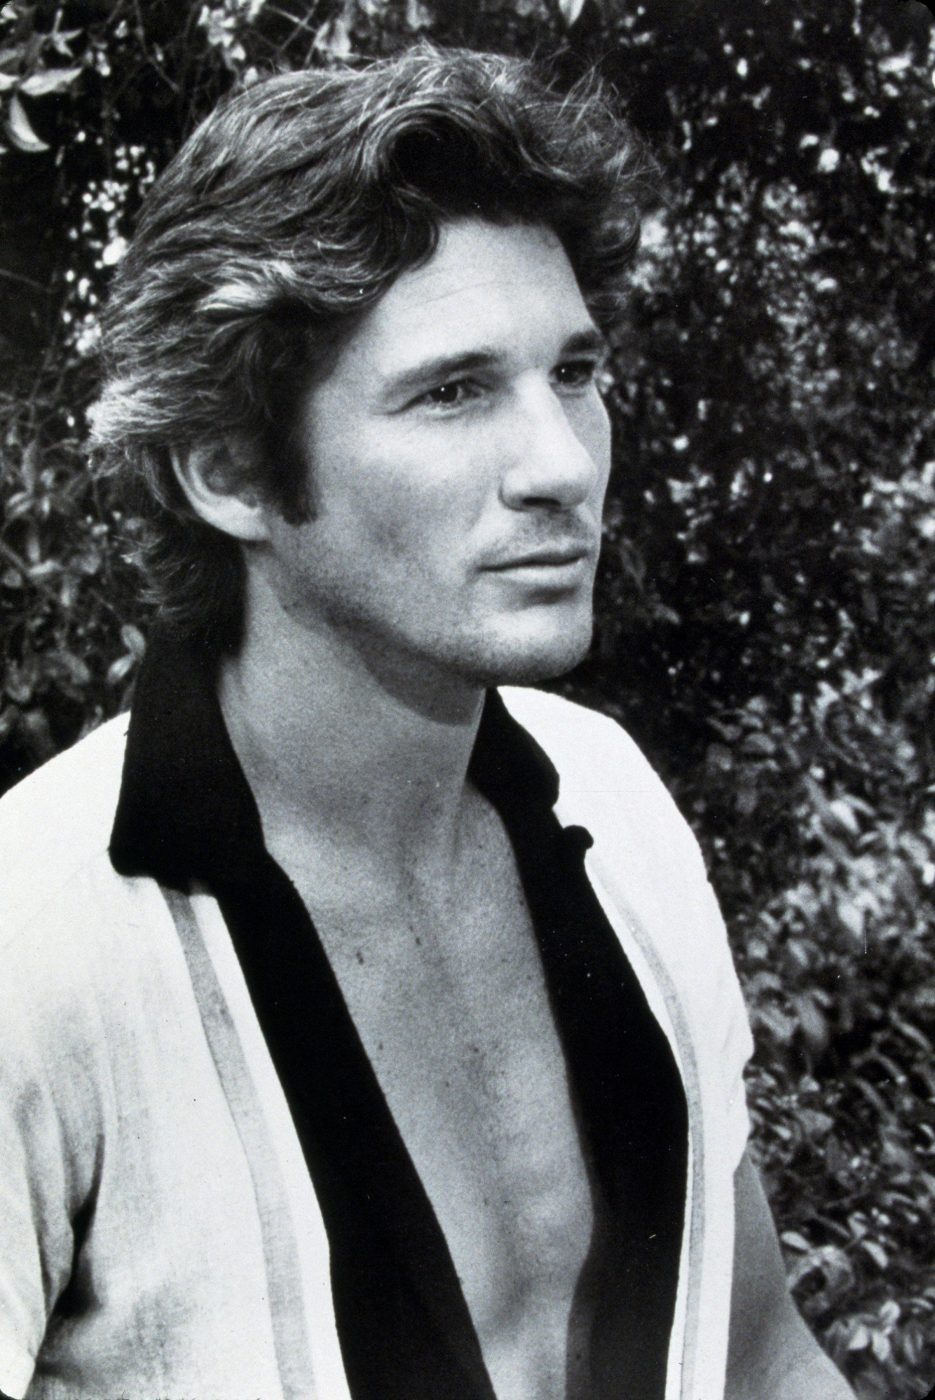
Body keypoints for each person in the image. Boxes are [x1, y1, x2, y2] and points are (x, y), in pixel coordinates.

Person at [0, 45, 854, 1400]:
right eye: (453, 391)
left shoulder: (613, 800)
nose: (562, 465)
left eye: (575, 372)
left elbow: (754, 1354)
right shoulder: (39, 935)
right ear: (228, 468)